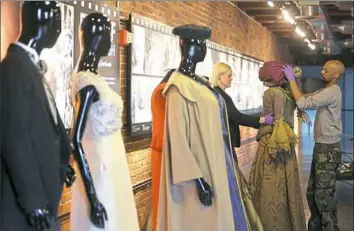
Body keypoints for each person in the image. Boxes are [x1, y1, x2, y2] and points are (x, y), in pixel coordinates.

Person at [0, 2, 74, 230]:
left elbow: (44, 124)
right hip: (23, 203)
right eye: (57, 22)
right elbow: (15, 138)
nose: (59, 30)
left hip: (44, 193)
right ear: (44, 23)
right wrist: (33, 201)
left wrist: (63, 162)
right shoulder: (13, 68)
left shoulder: (31, 67)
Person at [70, 13, 139, 231]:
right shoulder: (87, 83)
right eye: (108, 35)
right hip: (99, 169)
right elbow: (75, 140)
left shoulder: (94, 79)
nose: (110, 42)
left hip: (112, 165)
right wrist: (91, 195)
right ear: (97, 37)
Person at [282, 60, 345, 231]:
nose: (322, 71)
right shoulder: (326, 90)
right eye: (322, 68)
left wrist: (292, 80)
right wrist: (292, 83)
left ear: (335, 75)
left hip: (328, 149)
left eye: (326, 70)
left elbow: (303, 103)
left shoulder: (332, 91)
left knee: (323, 196)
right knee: (312, 193)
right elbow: (305, 98)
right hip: (322, 147)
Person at [248, 60, 307, 231]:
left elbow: (273, 120)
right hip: (286, 145)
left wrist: (262, 133)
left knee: (270, 187)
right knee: (287, 185)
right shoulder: (288, 93)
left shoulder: (271, 93)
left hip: (272, 143)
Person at [210, 62, 274, 164]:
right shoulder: (222, 97)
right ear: (219, 77)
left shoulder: (216, 93)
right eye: (229, 76)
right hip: (224, 143)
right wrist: (263, 120)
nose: (231, 79)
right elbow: (237, 117)